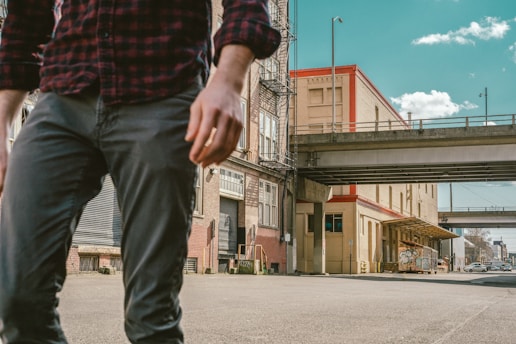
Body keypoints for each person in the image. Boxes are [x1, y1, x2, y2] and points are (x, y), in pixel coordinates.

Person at [0, 0, 280, 343]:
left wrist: (228, 80)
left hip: (163, 87)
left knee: (150, 316)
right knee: (18, 298)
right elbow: (26, 17)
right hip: (63, 93)